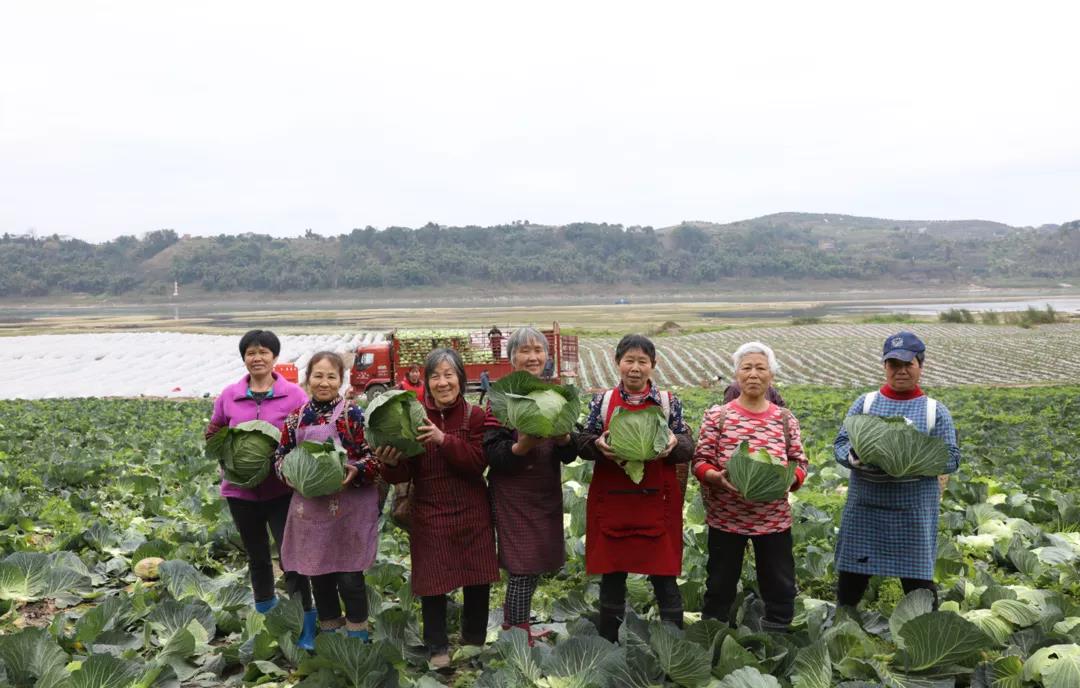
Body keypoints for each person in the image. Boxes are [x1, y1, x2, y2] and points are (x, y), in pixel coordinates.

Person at [376, 348, 499, 669]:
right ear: (427, 382)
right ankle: (437, 647)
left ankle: (473, 641)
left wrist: (444, 440)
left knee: (477, 578)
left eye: (449, 375)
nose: (443, 382)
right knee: (432, 580)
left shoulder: (475, 416)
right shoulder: (413, 416)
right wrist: (390, 464)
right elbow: (404, 472)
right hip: (429, 509)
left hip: (472, 510)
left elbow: (477, 464)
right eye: (435, 376)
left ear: (460, 378)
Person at [573, 334, 695, 642]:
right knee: (612, 577)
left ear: (653, 366)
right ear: (618, 363)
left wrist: (673, 444)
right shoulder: (601, 403)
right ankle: (609, 642)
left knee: (664, 577)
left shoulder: (668, 402)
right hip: (614, 501)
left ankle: (673, 645)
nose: (635, 368)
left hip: (657, 502)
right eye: (629, 360)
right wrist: (598, 445)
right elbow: (583, 441)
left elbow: (687, 444)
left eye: (643, 361)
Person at [832, 331, 960, 610]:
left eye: (908, 364)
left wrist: (914, 459)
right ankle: (842, 624)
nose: (901, 371)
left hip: (912, 508)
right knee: (852, 574)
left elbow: (951, 457)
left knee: (917, 580)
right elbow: (841, 444)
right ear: (884, 367)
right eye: (894, 365)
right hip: (866, 504)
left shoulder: (934, 411)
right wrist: (853, 458)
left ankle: (926, 632)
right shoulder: (864, 404)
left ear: (920, 366)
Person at [692, 342, 808, 632]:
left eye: (761, 368)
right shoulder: (717, 416)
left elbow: (799, 462)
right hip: (726, 518)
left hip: (773, 520)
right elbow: (701, 460)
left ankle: (778, 635)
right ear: (737, 375)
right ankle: (713, 636)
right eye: (746, 368)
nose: (753, 374)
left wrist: (787, 481)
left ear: (772, 375)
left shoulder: (785, 419)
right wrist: (715, 477)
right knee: (719, 583)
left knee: (780, 585)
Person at [204, 330, 314, 634]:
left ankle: (304, 620)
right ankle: (266, 614)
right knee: (257, 556)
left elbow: (306, 435)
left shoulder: (295, 395)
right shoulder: (230, 395)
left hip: (282, 490)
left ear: (275, 357)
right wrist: (230, 458)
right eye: (251, 353)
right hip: (241, 491)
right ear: (244, 358)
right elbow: (214, 434)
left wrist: (288, 462)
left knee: (292, 556)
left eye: (264, 352)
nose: (257, 358)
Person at [274, 351, 381, 646]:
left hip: (349, 509)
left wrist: (355, 469)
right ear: (308, 379)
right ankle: (332, 638)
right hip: (311, 511)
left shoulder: (352, 415)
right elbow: (280, 457)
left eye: (331, 376)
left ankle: (358, 637)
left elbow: (374, 459)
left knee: (350, 577)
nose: (324, 382)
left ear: (340, 380)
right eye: (318, 376)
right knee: (318, 575)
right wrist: (291, 475)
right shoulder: (296, 419)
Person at [483, 327, 576, 643]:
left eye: (538, 350)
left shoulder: (555, 395)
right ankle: (515, 630)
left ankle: (519, 624)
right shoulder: (499, 399)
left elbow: (569, 452)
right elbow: (493, 454)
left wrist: (565, 439)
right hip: (513, 493)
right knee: (522, 566)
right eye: (525, 350)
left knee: (535, 564)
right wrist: (521, 446)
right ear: (511, 358)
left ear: (547, 357)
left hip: (545, 490)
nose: (533, 356)